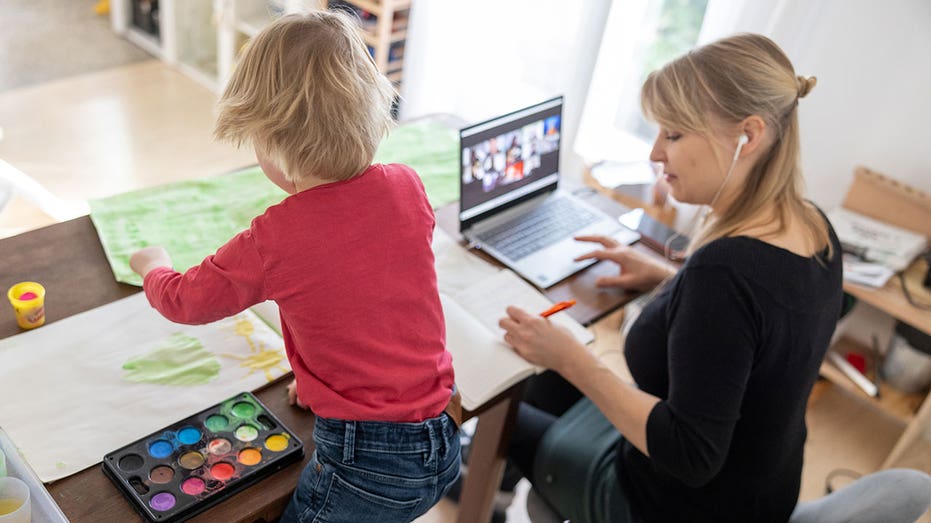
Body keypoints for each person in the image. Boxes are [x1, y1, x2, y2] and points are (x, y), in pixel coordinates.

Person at [128, 11, 460, 522]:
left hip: (365, 462)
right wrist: (318, 380)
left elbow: (186, 301)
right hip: (442, 437)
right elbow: (369, 292)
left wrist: (155, 267)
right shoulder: (407, 185)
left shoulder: (277, 238)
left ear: (271, 142)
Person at [498, 33, 843, 522]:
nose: (656, 154)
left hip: (668, 505)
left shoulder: (723, 274)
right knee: (549, 378)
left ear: (750, 135)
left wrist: (573, 359)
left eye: (675, 135)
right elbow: (756, 328)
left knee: (501, 409)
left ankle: (489, 490)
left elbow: (690, 454)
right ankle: (505, 479)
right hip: (761, 495)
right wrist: (668, 279)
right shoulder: (814, 227)